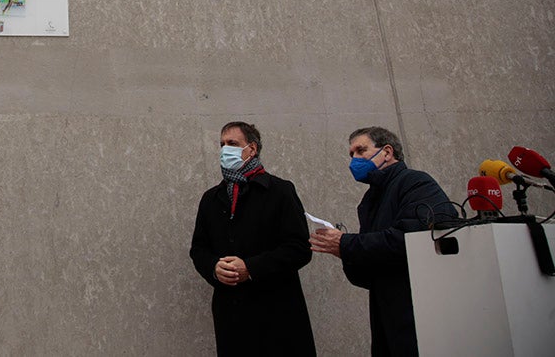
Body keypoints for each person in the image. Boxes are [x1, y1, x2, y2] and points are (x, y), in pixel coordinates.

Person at [309, 126, 456, 357]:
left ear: (387, 152)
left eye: (360, 150)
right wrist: (343, 251)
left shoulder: (416, 183)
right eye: (351, 155)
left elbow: (413, 239)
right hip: (386, 315)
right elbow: (369, 273)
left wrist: (347, 244)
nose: (354, 160)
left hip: (418, 311)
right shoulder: (371, 199)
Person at [190, 122, 316, 356]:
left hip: (277, 311)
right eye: (222, 144)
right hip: (232, 312)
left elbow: (299, 248)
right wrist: (214, 268)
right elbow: (199, 248)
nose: (225, 150)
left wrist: (251, 267)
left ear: (252, 149)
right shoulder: (211, 199)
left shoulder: (280, 191)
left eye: (232, 144)